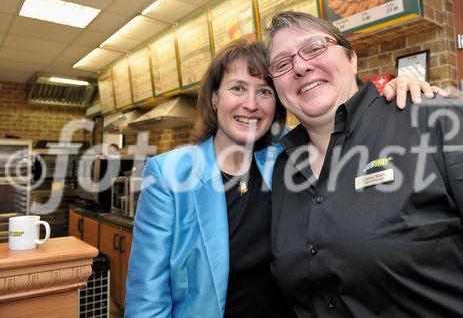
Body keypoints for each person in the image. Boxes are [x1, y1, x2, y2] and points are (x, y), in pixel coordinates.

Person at [125, 39, 440, 317]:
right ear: (214, 98)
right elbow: (147, 299)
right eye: (237, 88)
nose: (251, 104)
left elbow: (346, 127)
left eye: (264, 91)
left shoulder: (289, 156)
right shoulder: (169, 173)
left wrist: (392, 94)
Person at [266, 11, 463, 317]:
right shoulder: (285, 168)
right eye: (282, 64)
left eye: (314, 48)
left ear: (351, 59)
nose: (300, 66)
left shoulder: (433, 118)